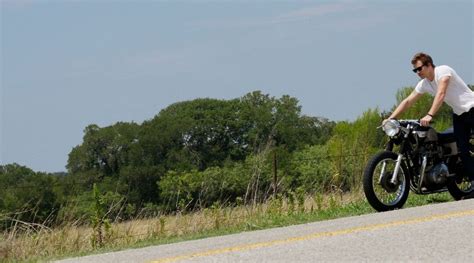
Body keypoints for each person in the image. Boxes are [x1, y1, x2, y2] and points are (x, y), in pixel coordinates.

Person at [384, 52, 474, 198]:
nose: (417, 72)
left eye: (419, 69)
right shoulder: (425, 84)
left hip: (472, 108)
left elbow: (441, 93)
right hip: (459, 114)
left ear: (429, 65)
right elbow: (408, 101)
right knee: (462, 151)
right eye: (415, 70)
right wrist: (391, 118)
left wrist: (430, 114)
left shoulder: (443, 71)